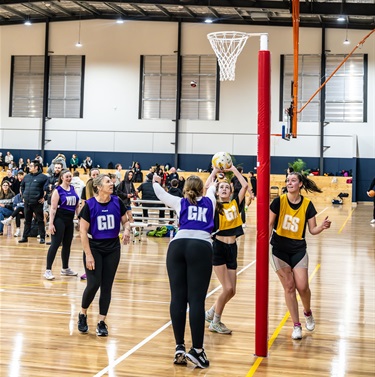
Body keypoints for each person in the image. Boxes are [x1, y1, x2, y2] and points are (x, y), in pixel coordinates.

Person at [152, 171, 217, 368]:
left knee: (177, 298)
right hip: (200, 246)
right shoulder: (209, 200)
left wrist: (154, 180)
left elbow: (160, 194)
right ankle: (197, 350)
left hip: (177, 245)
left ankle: (179, 347)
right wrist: (215, 171)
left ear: (185, 189)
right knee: (196, 300)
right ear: (201, 190)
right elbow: (211, 185)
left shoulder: (180, 202)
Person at [269, 171, 331, 340]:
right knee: (289, 287)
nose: (289, 183)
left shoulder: (307, 205)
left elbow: (312, 230)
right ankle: (296, 326)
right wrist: (263, 246)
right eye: (287, 180)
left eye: (293, 180)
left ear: (300, 184)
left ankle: (307, 312)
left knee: (302, 287)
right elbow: (269, 224)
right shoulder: (278, 201)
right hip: (279, 249)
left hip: (298, 249)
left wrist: (323, 226)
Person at [77, 174, 131, 336]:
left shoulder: (117, 201)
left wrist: (127, 229)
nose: (112, 184)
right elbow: (82, 231)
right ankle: (82, 314)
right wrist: (89, 255)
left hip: (113, 248)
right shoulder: (90, 205)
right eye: (108, 182)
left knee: (107, 286)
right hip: (94, 248)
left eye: (111, 181)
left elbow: (126, 221)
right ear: (99, 187)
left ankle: (101, 321)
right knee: (93, 284)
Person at [204, 165, 248, 334]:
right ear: (217, 192)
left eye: (226, 187)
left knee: (232, 291)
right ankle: (216, 321)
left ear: (230, 191)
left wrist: (233, 169)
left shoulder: (235, 203)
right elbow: (207, 187)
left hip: (233, 248)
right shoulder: (214, 205)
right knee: (227, 288)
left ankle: (210, 312)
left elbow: (244, 186)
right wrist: (215, 171)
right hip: (219, 248)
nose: (223, 189)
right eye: (221, 187)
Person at [44, 169, 80, 280]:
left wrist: (79, 220)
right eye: (67, 176)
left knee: (67, 244)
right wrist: (51, 224)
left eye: (70, 176)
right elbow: (53, 208)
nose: (69, 178)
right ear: (62, 178)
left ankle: (65, 268)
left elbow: (77, 206)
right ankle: (48, 270)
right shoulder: (58, 190)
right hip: (59, 219)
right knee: (55, 244)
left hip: (69, 220)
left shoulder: (73, 189)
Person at [18, 160, 48, 244]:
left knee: (40, 220)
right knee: (27, 221)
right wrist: (23, 196)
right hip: (27, 203)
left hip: (37, 203)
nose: (29, 167)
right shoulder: (26, 177)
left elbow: (47, 189)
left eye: (31, 166)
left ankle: (42, 237)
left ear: (36, 167)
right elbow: (22, 186)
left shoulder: (44, 177)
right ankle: (24, 237)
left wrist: (44, 197)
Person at [79, 168, 100, 280]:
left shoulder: (103, 189)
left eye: (97, 174)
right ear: (90, 175)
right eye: (93, 174)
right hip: (89, 218)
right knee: (87, 243)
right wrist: (81, 218)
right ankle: (88, 270)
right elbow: (83, 204)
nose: (95, 176)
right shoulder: (85, 188)